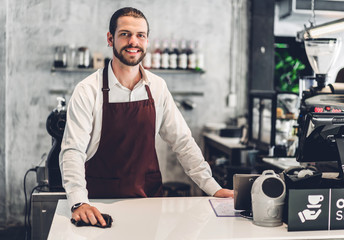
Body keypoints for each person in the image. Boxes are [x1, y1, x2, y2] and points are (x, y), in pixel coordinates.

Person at [59, 7, 233, 227]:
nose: (133, 41)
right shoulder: (87, 90)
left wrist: (212, 187)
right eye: (125, 34)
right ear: (110, 38)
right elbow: (72, 150)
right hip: (100, 205)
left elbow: (183, 141)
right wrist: (78, 202)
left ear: (147, 41)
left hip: (149, 203)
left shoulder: (157, 87)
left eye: (140, 35)